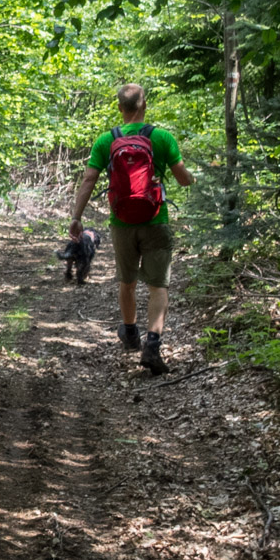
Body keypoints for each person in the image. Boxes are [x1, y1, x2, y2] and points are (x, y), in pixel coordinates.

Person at [69, 83, 195, 373]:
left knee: (127, 282)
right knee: (158, 285)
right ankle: (152, 344)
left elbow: (88, 180)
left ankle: (129, 333)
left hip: (121, 223)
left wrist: (76, 217)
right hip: (155, 220)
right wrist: (191, 179)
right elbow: (182, 177)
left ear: (119, 108)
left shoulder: (105, 140)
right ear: (145, 105)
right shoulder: (162, 137)